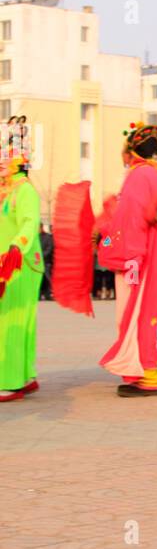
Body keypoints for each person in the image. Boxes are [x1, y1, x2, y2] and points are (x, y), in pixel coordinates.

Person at [98, 124, 157, 395]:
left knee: (135, 311)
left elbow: (131, 221)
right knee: (146, 311)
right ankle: (139, 369)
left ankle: (148, 373)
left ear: (130, 151)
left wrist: (130, 257)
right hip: (156, 252)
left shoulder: (137, 176)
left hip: (138, 257)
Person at [0, 117, 44, 402]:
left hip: (20, 263)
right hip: (6, 262)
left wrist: (17, 248)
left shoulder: (24, 190)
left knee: (14, 320)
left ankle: (12, 381)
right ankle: (25, 376)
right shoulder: (5, 190)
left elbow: (30, 222)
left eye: (6, 156)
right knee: (17, 321)